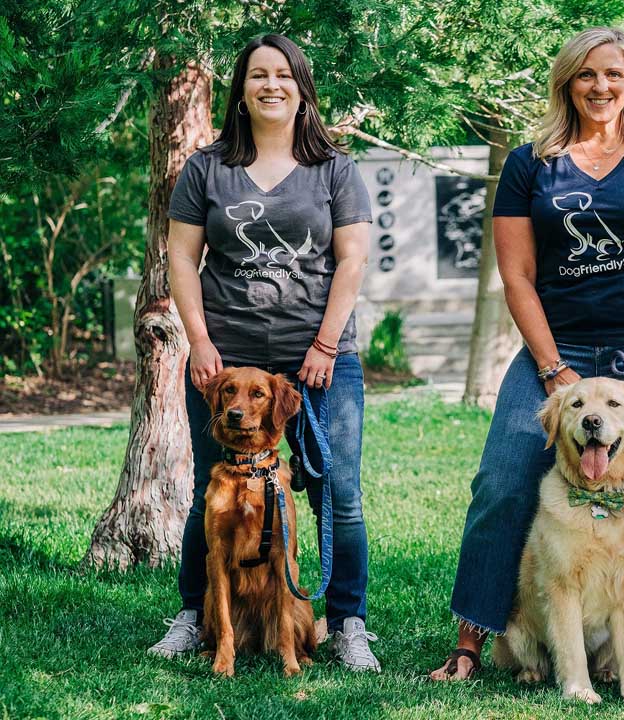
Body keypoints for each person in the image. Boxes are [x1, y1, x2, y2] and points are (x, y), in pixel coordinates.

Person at [429, 27, 624, 693]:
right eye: (586, 75)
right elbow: (518, 276)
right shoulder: (532, 163)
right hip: (557, 349)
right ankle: (473, 638)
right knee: (502, 478)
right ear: (567, 84)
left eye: (613, 74)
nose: (601, 87)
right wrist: (554, 370)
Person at [148, 34, 380, 672]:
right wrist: (199, 342)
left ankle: (348, 623)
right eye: (257, 75)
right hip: (227, 362)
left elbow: (353, 258)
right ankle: (195, 614)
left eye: (283, 74)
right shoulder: (207, 168)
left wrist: (326, 342)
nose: (270, 84)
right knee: (210, 492)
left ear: (301, 87)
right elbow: (181, 258)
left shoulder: (334, 168)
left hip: (321, 357)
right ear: (241, 90)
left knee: (337, 490)